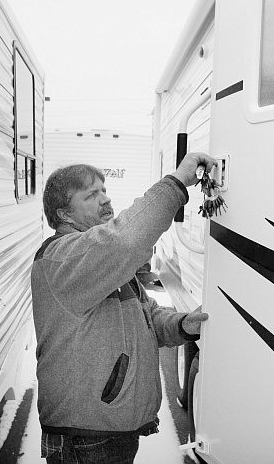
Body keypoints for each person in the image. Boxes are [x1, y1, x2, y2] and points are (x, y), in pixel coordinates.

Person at [31, 152, 216, 463]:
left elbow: (148, 317)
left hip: (107, 431)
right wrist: (177, 182)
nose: (105, 199)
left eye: (104, 190)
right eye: (92, 194)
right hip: (86, 438)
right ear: (64, 214)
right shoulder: (63, 258)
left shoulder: (99, 262)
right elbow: (126, 239)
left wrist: (184, 326)